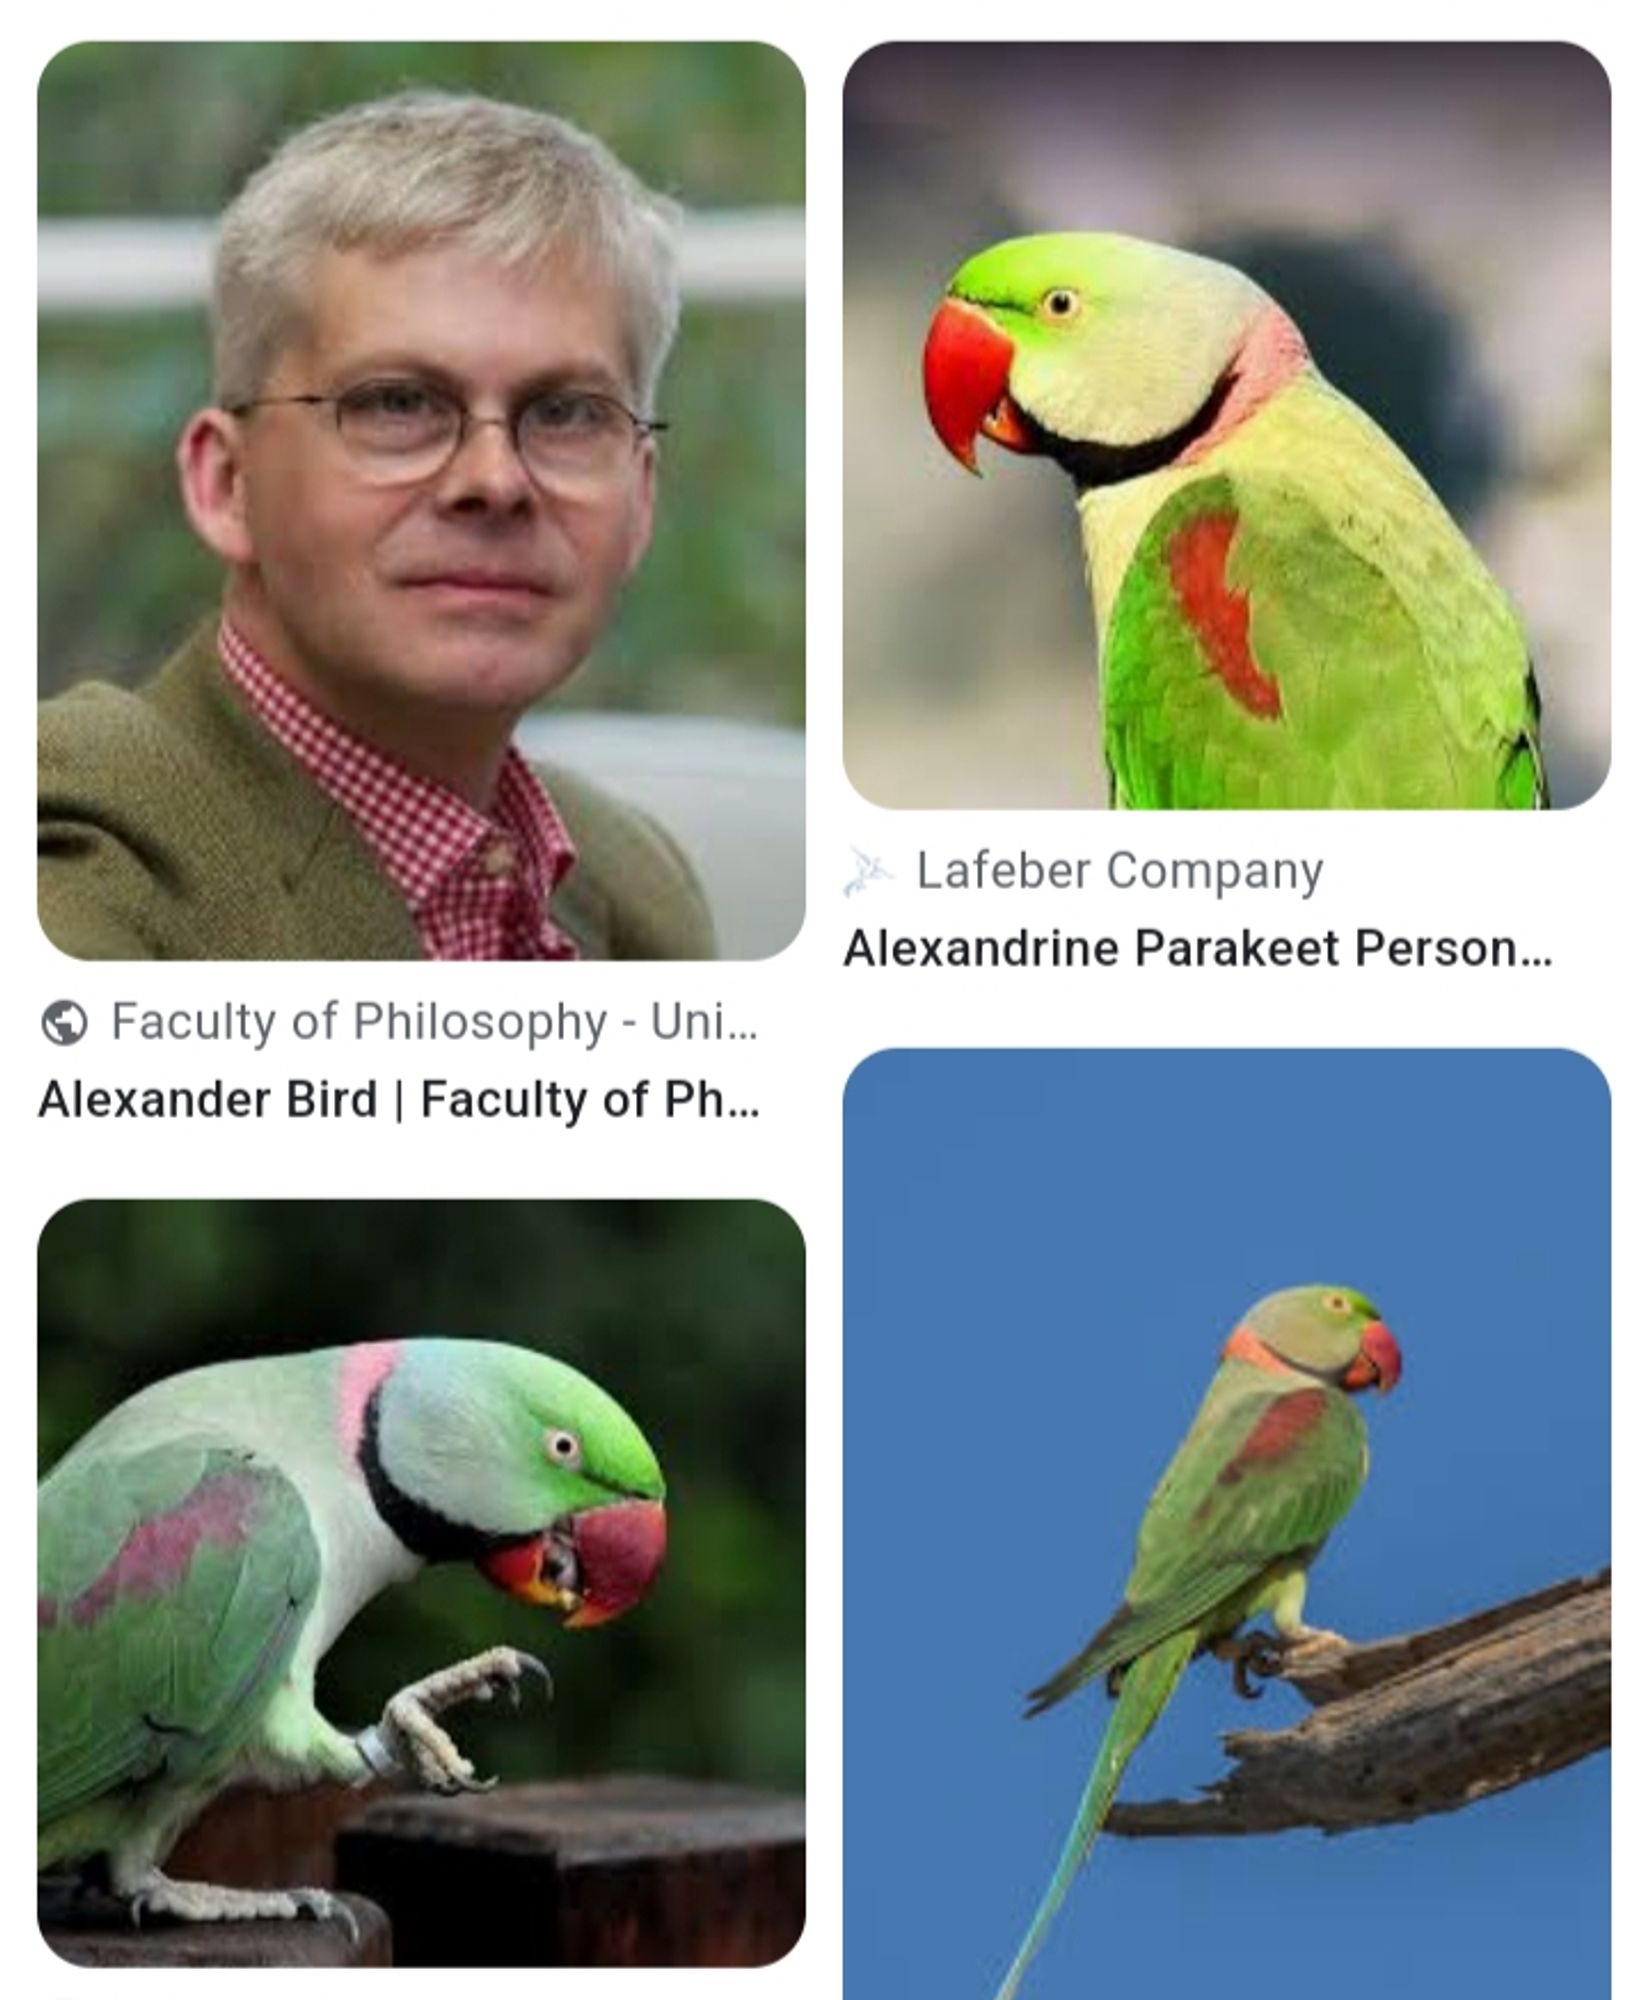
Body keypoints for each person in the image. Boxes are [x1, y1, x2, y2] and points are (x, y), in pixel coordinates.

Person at [39, 91, 716, 960]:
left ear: (641, 498)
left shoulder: (636, 885)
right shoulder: (79, 867)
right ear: (227, 483)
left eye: (565, 414)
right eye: (397, 404)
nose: (494, 480)